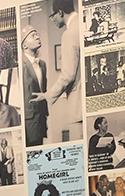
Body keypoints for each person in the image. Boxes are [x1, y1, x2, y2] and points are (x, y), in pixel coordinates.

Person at [31, 0, 82, 141]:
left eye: (52, 15)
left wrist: (48, 95)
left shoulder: (69, 34)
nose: (52, 19)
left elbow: (68, 75)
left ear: (60, 12)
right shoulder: (82, 24)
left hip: (78, 106)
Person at [21, 25, 48, 148]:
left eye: (37, 34)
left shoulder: (42, 64)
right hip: (28, 122)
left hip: (41, 119)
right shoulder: (20, 65)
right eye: (33, 35)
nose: (37, 37)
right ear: (24, 45)